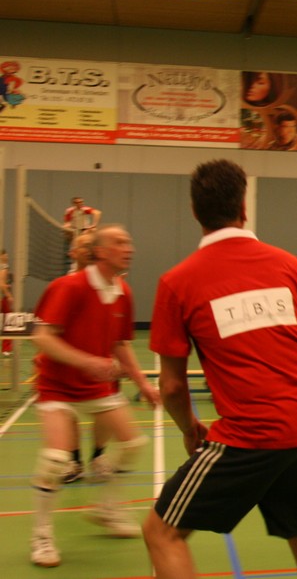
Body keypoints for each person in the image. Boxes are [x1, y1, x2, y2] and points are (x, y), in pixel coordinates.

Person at [143, 159, 297, 579]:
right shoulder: (289, 264)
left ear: (194, 212)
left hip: (253, 433)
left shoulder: (178, 282)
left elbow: (172, 386)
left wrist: (189, 428)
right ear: (243, 208)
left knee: (161, 532)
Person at [28, 224, 160, 568]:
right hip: (57, 387)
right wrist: (87, 362)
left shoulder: (123, 291)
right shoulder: (69, 287)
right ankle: (41, 536)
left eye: (129, 241)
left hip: (96, 389)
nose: (129, 248)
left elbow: (120, 344)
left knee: (133, 444)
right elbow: (42, 337)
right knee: (56, 459)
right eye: (120, 242)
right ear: (100, 252)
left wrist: (143, 383)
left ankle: (107, 508)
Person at [61, 232, 111, 484]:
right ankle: (74, 461)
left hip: (102, 358)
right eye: (84, 246)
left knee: (105, 410)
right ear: (73, 253)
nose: (89, 249)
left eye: (92, 245)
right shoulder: (65, 285)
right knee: (67, 411)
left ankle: (99, 456)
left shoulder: (111, 284)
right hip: (71, 360)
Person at [1, 248, 13, 357]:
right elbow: (1, 283)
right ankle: (6, 349)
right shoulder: (4, 267)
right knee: (8, 322)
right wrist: (9, 295)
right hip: (3, 298)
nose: (7, 256)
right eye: (5, 255)